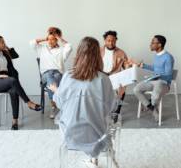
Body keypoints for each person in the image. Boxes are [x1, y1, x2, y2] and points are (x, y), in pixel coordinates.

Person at [48, 37, 124, 168]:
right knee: (102, 118)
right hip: (96, 138)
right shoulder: (103, 79)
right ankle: (97, 158)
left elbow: (60, 104)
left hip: (70, 135)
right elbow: (110, 108)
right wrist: (119, 95)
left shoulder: (67, 75)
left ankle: (92, 161)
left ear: (79, 53)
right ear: (98, 55)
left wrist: (56, 91)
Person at [0, 35, 42, 130]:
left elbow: (15, 56)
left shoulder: (4, 53)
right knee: (13, 80)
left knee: (13, 91)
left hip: (7, 79)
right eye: (2, 42)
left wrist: (7, 48)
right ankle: (29, 103)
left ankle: (15, 122)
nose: (4, 44)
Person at [29, 27, 72, 119]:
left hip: (58, 74)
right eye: (48, 40)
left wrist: (61, 39)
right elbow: (32, 43)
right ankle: (58, 104)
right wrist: (44, 39)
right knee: (49, 77)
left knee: (52, 81)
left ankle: (54, 107)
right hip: (45, 74)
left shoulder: (61, 50)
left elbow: (69, 47)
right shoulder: (42, 49)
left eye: (52, 40)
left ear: (57, 40)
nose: (49, 42)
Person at [133, 35, 174, 121]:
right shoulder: (156, 55)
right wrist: (143, 65)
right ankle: (152, 108)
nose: (150, 45)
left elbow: (168, 74)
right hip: (153, 79)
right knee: (136, 89)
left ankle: (151, 105)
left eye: (152, 43)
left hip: (163, 82)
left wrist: (158, 77)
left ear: (159, 45)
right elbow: (156, 68)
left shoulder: (168, 57)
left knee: (155, 97)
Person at [101, 30, 134, 122]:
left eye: (113, 41)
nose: (111, 43)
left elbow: (126, 68)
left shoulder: (121, 53)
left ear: (116, 41)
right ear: (105, 40)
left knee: (122, 86)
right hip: (102, 76)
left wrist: (129, 65)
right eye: (108, 41)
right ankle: (101, 112)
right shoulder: (98, 51)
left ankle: (116, 112)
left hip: (115, 76)